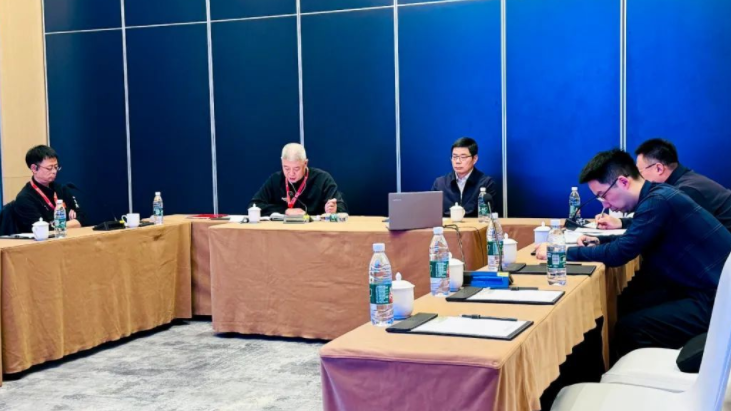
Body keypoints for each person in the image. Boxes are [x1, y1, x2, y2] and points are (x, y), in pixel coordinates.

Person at [536, 149, 731, 358]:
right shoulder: (657, 195)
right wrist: (599, 240)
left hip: (717, 301)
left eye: (603, 196)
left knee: (631, 327)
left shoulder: (657, 201)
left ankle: (643, 374)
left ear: (622, 182)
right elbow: (636, 236)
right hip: (708, 289)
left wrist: (562, 252)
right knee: (628, 302)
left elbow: (620, 253)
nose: (605, 205)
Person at [595, 138, 731, 232]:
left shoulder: (686, 191)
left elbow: (661, 227)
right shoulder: (685, 181)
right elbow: (657, 221)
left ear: (659, 168)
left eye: (639, 171)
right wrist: (621, 223)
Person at [250, 143, 347, 216]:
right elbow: (254, 206)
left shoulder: (322, 179)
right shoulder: (275, 180)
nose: (291, 173)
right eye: (286, 168)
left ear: (305, 163)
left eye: (296, 169)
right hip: (283, 233)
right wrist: (285, 211)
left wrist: (334, 210)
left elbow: (342, 209)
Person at [13, 145, 85, 232]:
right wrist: (71, 223)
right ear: (34, 168)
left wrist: (56, 224)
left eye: (56, 167)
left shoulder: (62, 189)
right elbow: (41, 229)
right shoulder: (25, 198)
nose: (54, 171)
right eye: (49, 168)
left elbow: (83, 218)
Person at [431, 137, 497, 217]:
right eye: (455, 157)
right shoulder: (440, 184)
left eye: (463, 157)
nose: (458, 161)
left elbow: (488, 217)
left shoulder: (486, 183)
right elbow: (432, 215)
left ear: (474, 159)